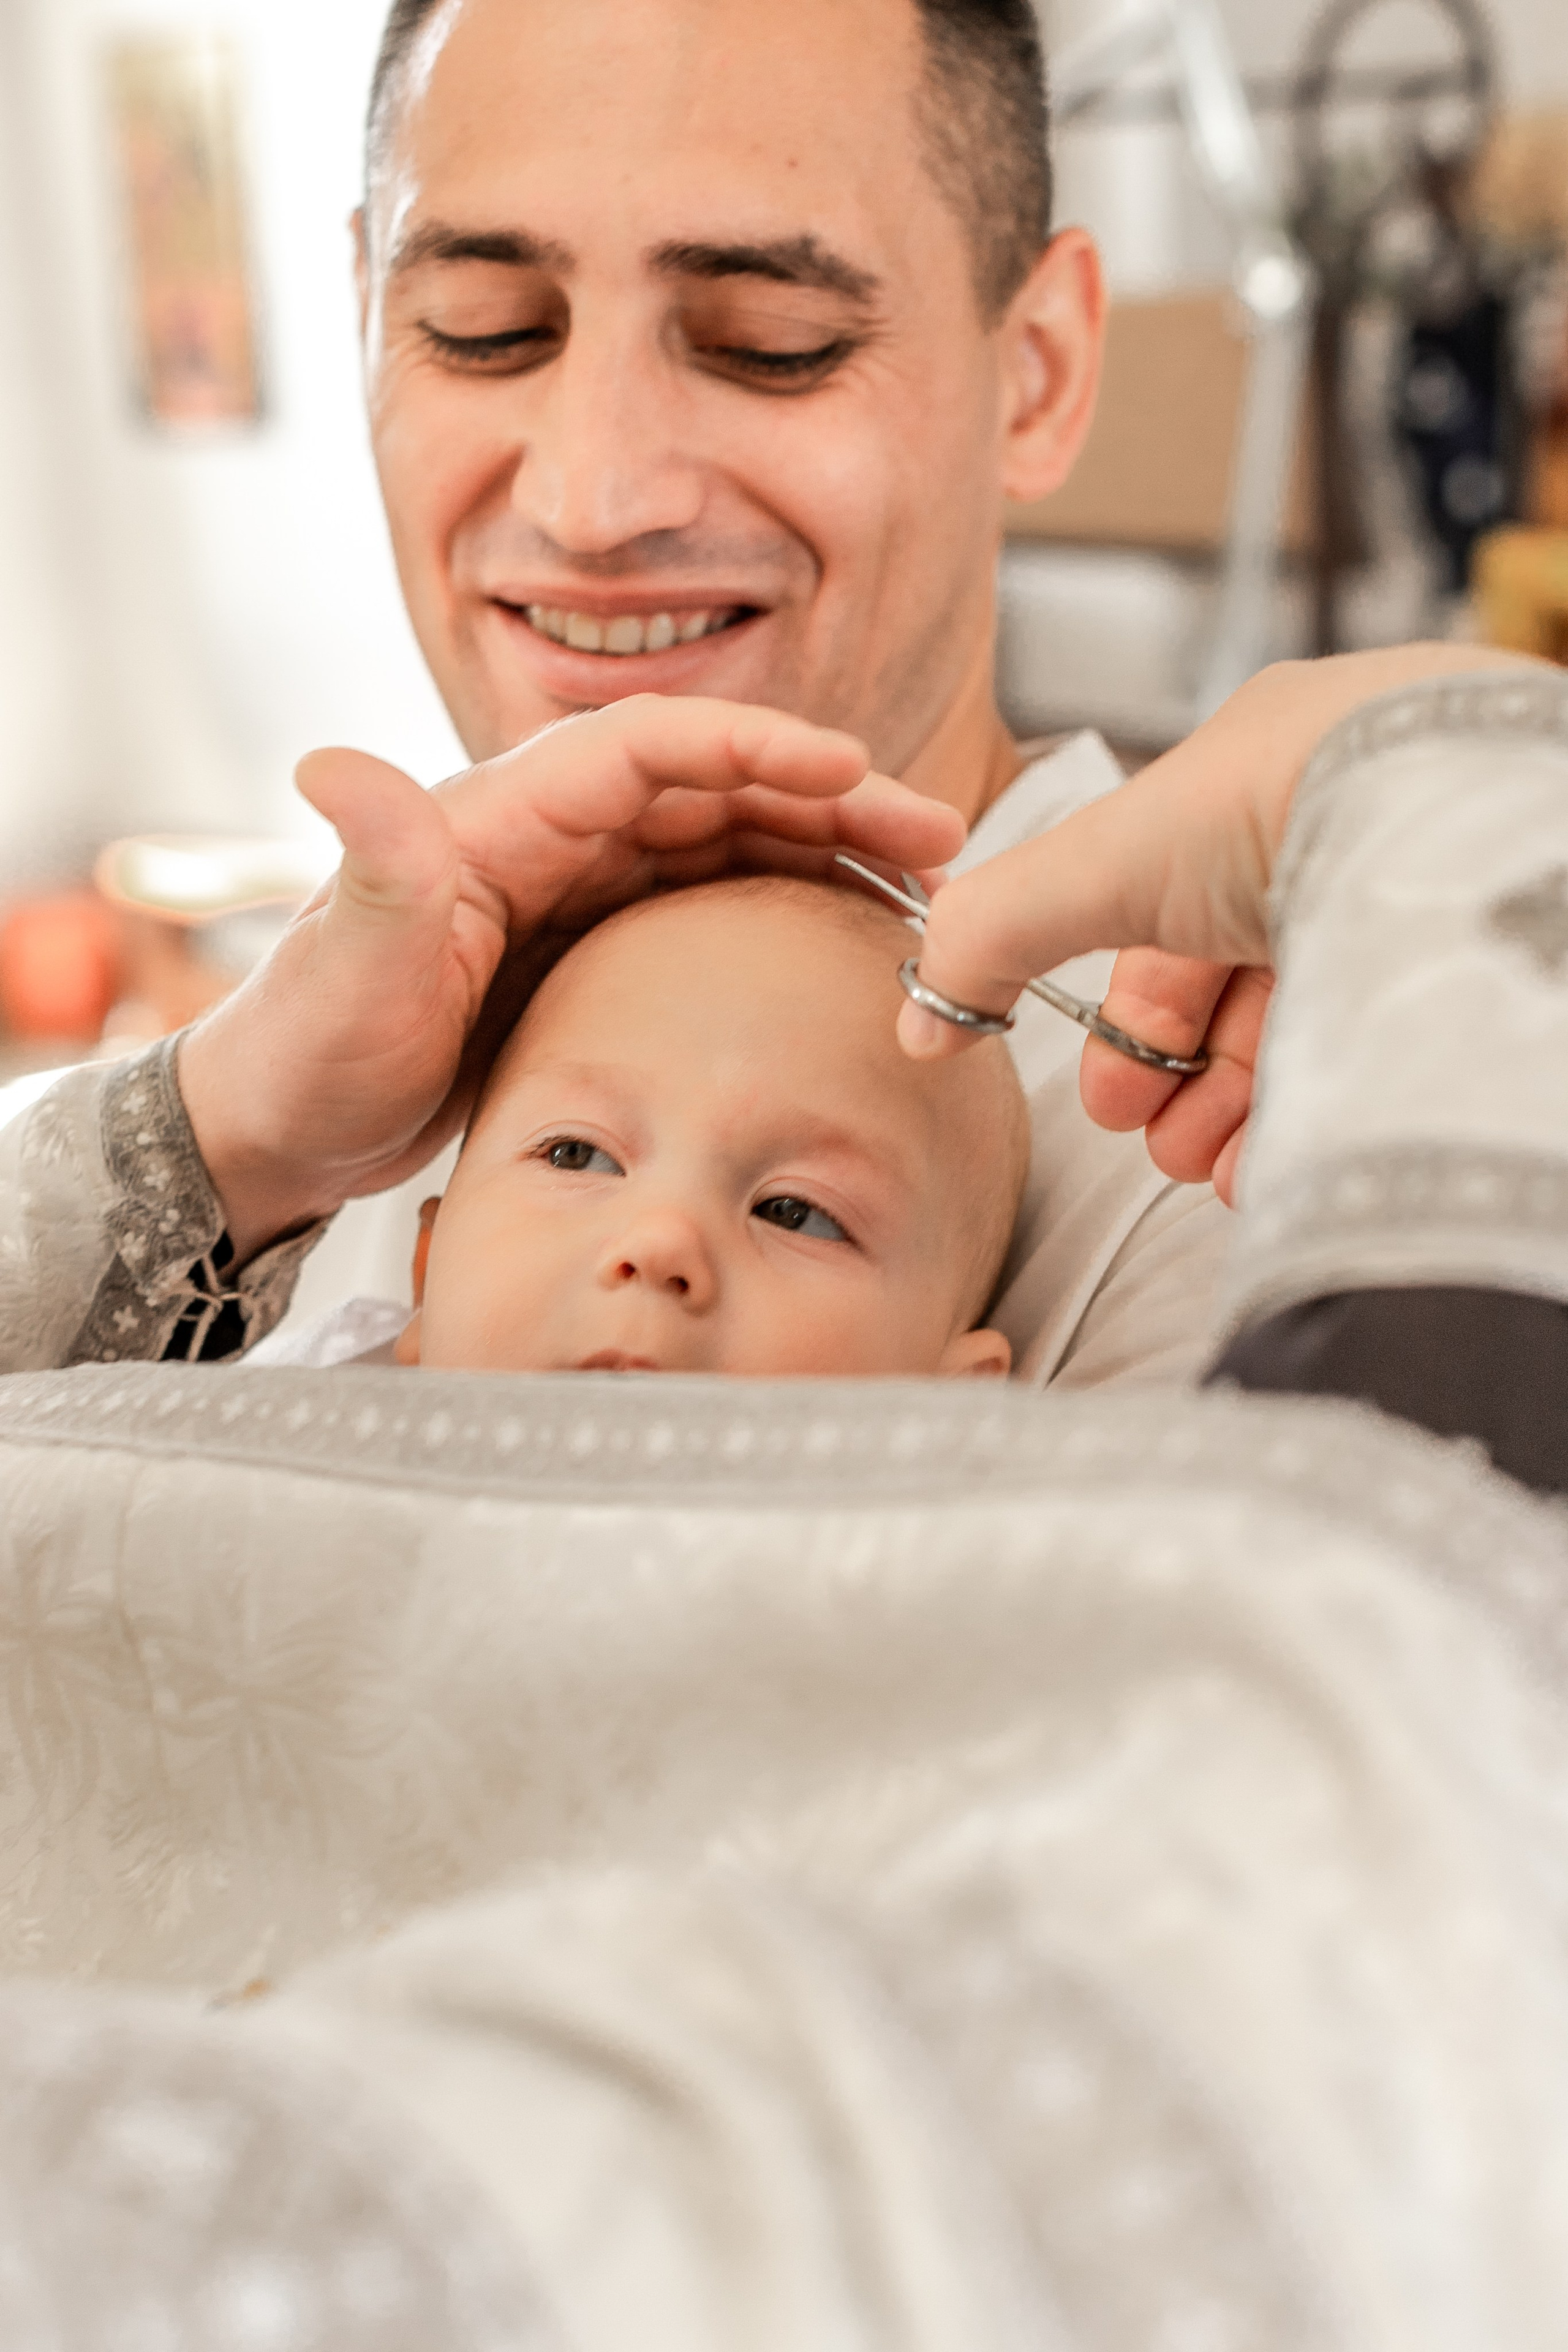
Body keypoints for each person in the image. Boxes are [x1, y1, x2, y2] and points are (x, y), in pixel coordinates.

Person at [265, 876, 1028, 1377]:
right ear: (426, 1286)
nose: (660, 1244)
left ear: (947, 1407)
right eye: (578, 1154)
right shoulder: (271, 1470)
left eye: (794, 1212)